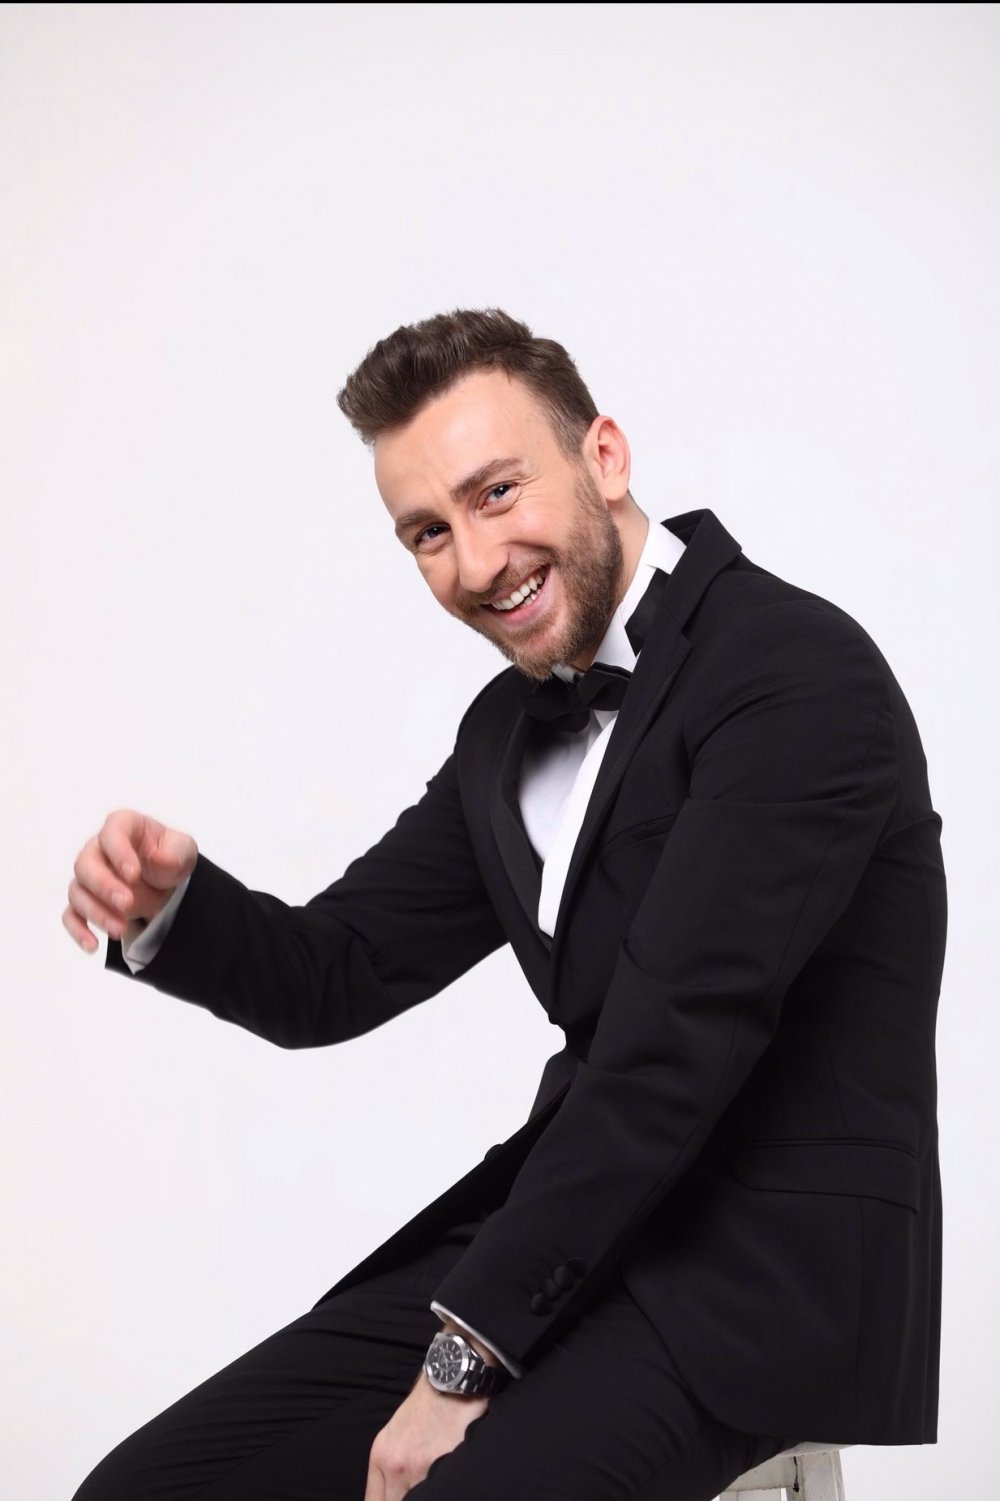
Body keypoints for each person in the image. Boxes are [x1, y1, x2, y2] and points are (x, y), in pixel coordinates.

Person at [65, 309, 946, 1501]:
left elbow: (670, 1050)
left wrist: (462, 1356)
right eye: (428, 532)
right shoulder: (503, 731)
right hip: (566, 1243)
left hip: (753, 1278)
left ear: (604, 456)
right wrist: (170, 907)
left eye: (495, 493)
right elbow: (338, 968)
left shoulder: (791, 670)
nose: (476, 564)